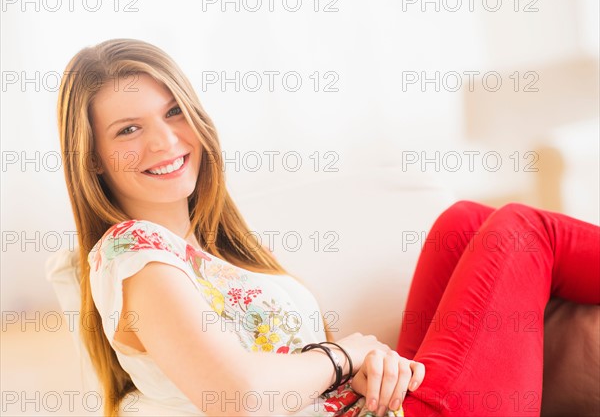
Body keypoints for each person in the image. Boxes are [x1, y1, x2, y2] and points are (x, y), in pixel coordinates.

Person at [57, 38, 599, 417]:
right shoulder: (135, 252)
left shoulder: (204, 252)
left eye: (174, 112)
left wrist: (368, 366)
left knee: (463, 223)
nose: (164, 141)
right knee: (522, 229)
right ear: (95, 159)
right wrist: (346, 354)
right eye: (129, 129)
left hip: (377, 403)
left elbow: (286, 374)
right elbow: (238, 398)